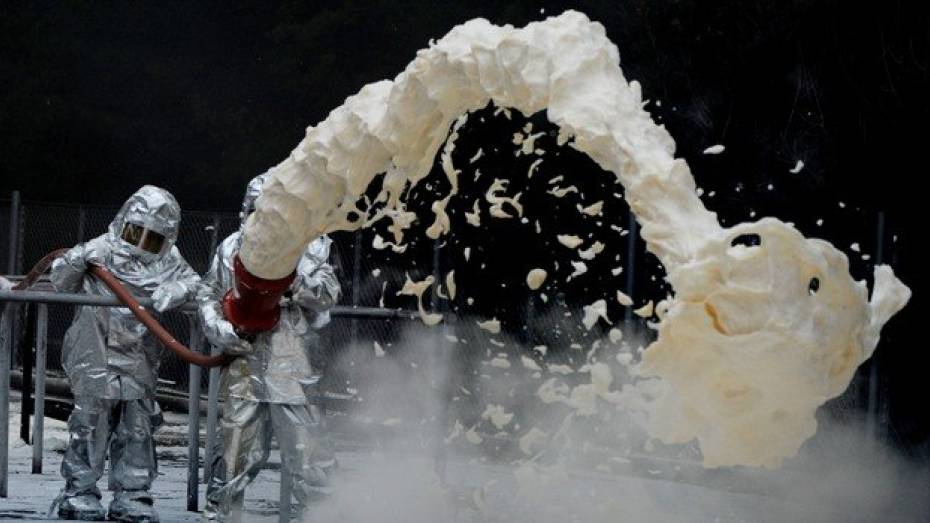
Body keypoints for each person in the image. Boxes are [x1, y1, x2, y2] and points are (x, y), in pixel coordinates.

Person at [49, 185, 201, 522]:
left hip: (137, 361)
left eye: (153, 239)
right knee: (90, 427)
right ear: (124, 222)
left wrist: (177, 289)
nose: (142, 244)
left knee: (136, 431)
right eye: (137, 233)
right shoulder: (99, 250)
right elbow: (60, 283)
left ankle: (133, 496)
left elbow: (197, 284)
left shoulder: (170, 261)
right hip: (95, 357)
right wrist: (73, 262)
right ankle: (79, 493)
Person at [200, 173, 340, 522]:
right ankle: (222, 517)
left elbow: (328, 294)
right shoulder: (232, 248)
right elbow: (209, 297)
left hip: (295, 371)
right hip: (244, 367)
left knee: (308, 456)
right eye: (259, 213)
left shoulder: (312, 245)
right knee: (232, 455)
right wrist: (223, 330)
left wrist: (292, 281)